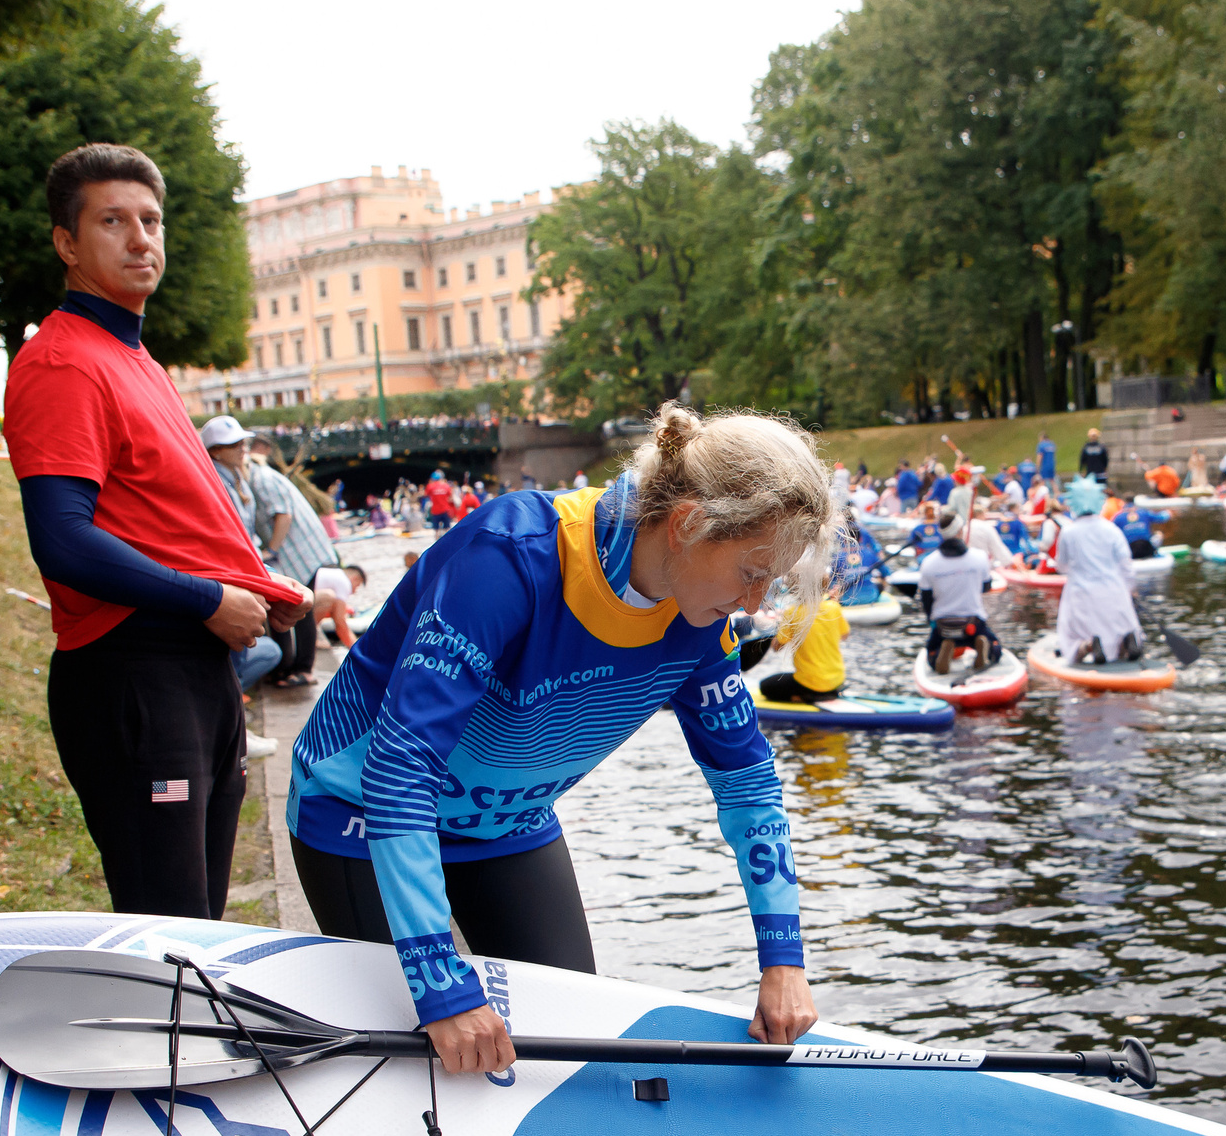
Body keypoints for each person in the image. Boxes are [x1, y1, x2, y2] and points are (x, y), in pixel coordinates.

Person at [288, 398, 831, 1072]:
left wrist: (784, 961)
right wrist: (439, 983)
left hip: (507, 826)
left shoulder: (699, 621)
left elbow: (748, 783)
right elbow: (401, 767)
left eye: (770, 582)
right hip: (360, 816)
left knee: (573, 1060)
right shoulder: (514, 554)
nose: (755, 605)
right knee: (424, 1057)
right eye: (752, 574)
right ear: (688, 524)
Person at [7, 142, 309, 922]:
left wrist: (259, 589)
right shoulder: (64, 363)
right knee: (169, 935)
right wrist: (208, 596)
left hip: (195, 672)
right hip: (134, 673)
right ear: (67, 243)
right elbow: (63, 540)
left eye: (151, 219)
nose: (142, 239)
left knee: (198, 930)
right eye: (112, 221)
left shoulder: (134, 356)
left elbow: (167, 516)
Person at [206, 413, 335, 688]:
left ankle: (298, 669)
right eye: (234, 445)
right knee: (290, 613)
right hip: (283, 555)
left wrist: (268, 553)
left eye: (243, 443)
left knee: (296, 610)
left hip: (295, 553)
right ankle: (290, 668)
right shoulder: (228, 479)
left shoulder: (243, 477)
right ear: (215, 451)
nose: (242, 448)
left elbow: (281, 515)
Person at [1050, 500, 1143, 664]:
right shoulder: (1111, 528)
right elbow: (1125, 562)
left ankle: (1089, 646)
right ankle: (1127, 642)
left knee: (1072, 636)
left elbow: (1062, 566)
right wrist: (1130, 587)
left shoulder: (1069, 531)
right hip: (1114, 589)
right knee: (1118, 626)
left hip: (1081, 591)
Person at [918, 520, 1001, 675]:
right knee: (997, 651)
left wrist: (931, 621)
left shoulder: (929, 562)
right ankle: (984, 648)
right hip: (973, 623)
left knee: (930, 657)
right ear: (960, 531)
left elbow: (926, 600)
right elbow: (986, 587)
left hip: (943, 625)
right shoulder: (980, 557)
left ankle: (941, 652)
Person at [760, 586, 851, 703]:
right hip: (837, 680)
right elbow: (844, 635)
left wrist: (782, 628)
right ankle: (826, 692)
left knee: (765, 686)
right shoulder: (834, 607)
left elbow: (777, 647)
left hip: (810, 684)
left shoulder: (792, 612)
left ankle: (804, 697)